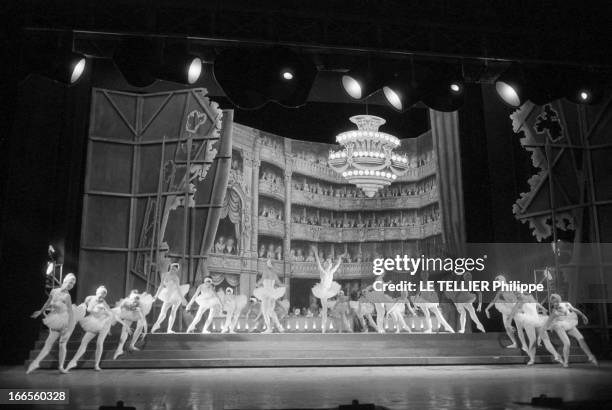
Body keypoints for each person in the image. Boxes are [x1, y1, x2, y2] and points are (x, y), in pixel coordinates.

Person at [27, 273, 83, 374]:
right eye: (70, 282)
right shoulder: (54, 291)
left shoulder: (67, 296)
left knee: (62, 344)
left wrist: (69, 330)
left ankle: (61, 367)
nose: (71, 285)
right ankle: (36, 363)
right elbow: (48, 302)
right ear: (65, 280)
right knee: (48, 343)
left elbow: (71, 314)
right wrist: (40, 311)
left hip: (67, 321)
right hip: (56, 319)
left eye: (73, 284)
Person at [66, 286, 129, 372]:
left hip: (105, 324)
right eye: (101, 293)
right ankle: (74, 361)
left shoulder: (103, 302)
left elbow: (112, 314)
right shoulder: (89, 298)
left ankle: (96, 364)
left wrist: (124, 324)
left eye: (104, 294)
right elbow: (84, 308)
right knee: (84, 341)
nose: (102, 295)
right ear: (96, 292)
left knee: (99, 343)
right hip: (94, 322)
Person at [540, 293, 598, 367]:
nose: (555, 303)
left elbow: (575, 310)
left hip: (569, 323)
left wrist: (583, 316)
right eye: (553, 302)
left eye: (556, 301)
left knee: (580, 338)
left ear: (559, 300)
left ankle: (590, 356)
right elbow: (547, 323)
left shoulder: (566, 304)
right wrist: (541, 335)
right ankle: (566, 361)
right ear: (552, 303)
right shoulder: (554, 312)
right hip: (559, 326)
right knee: (567, 343)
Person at [510, 292, 563, 365]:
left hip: (537, 319)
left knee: (546, 338)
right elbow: (514, 311)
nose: (518, 295)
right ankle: (532, 359)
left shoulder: (530, 298)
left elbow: (537, 304)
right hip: (528, 321)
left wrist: (543, 309)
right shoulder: (520, 302)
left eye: (519, 293)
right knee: (533, 340)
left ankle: (556, 355)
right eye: (517, 294)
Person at [112, 290, 155, 359]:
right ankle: (119, 349)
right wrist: (125, 325)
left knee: (140, 326)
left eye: (135, 302)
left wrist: (146, 332)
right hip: (129, 314)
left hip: (137, 314)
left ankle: (132, 345)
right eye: (133, 302)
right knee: (125, 329)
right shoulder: (125, 305)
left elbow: (143, 321)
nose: (134, 304)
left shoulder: (140, 308)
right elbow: (116, 316)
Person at [311, 245, 344, 333]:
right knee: (325, 309)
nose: (330, 264)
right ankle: (323, 327)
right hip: (323, 291)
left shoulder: (331, 272)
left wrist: (340, 258)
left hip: (329, 290)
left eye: (330, 263)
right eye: (328, 263)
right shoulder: (323, 272)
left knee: (327, 308)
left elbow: (337, 265)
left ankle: (326, 324)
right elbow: (318, 263)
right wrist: (315, 253)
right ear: (326, 265)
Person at [151, 263, 189, 333]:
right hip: (168, 295)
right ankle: (157, 324)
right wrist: (156, 295)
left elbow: (178, 289)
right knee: (163, 312)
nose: (173, 270)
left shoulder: (176, 278)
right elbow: (161, 286)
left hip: (176, 295)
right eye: (172, 268)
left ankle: (169, 329)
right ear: (170, 267)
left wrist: (183, 299)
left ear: (177, 271)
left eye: (175, 270)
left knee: (173, 311)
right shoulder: (164, 274)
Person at [484, 274, 520, 348]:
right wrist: (486, 309)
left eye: (499, 281)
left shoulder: (512, 286)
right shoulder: (501, 290)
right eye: (498, 282)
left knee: (521, 326)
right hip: (507, 307)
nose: (498, 283)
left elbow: (520, 296)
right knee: (506, 327)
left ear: (503, 280)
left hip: (514, 307)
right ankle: (515, 343)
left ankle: (534, 341)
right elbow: (494, 300)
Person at [253, 258, 286, 333]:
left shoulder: (266, 271)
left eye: (267, 263)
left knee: (265, 312)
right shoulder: (274, 273)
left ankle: (269, 328)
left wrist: (257, 284)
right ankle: (279, 326)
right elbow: (279, 283)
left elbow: (262, 279)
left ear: (268, 264)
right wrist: (284, 286)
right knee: (270, 311)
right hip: (272, 293)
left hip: (266, 293)